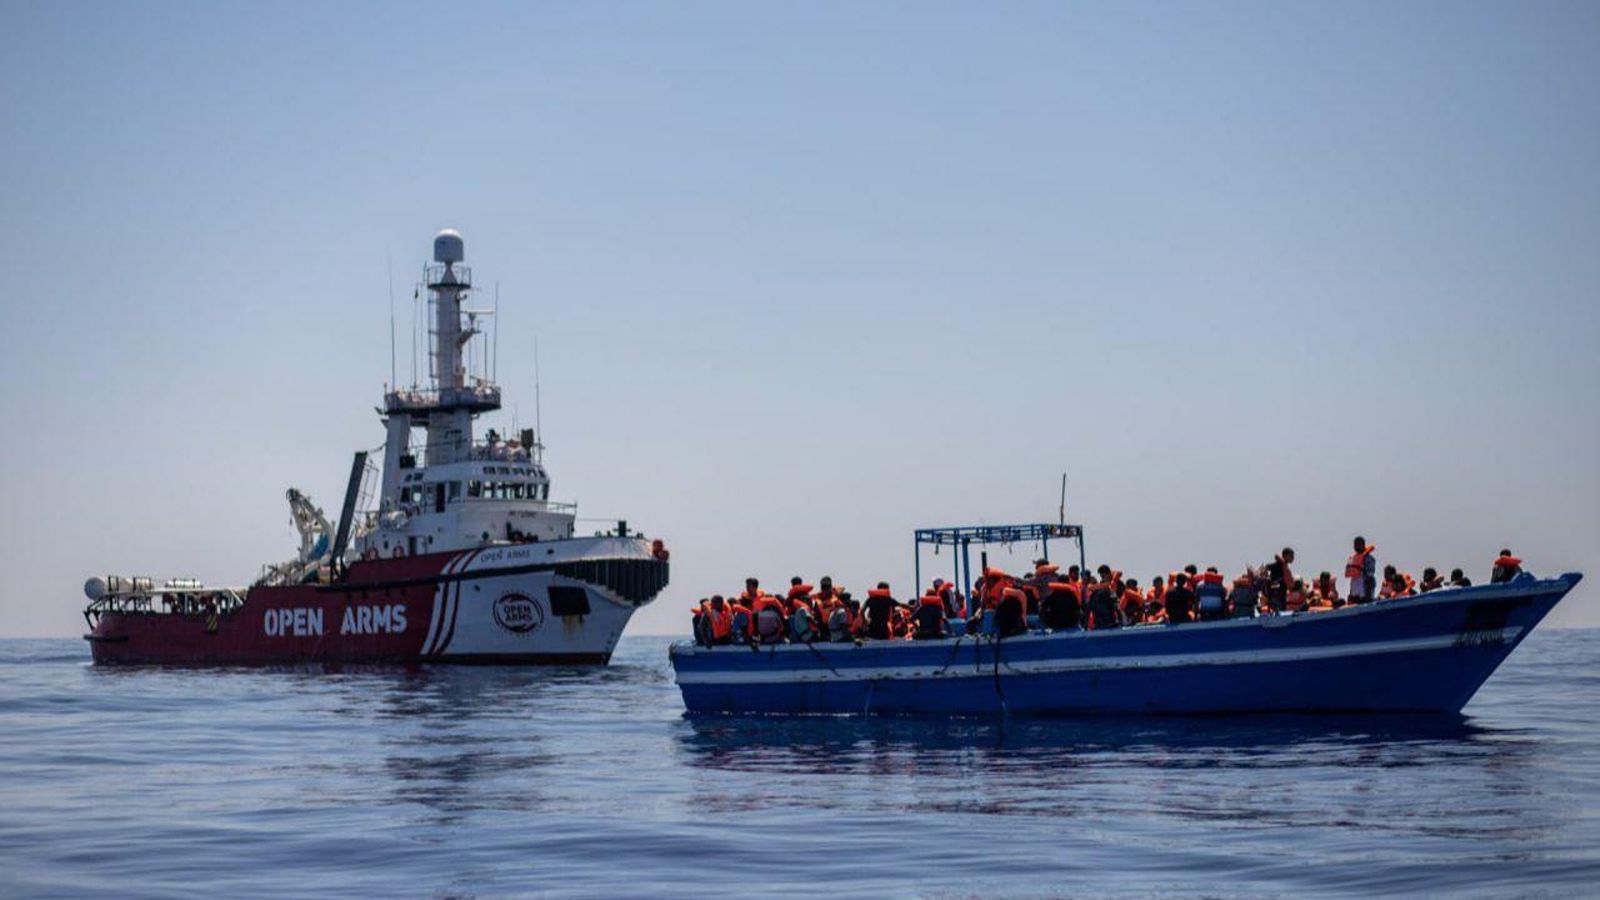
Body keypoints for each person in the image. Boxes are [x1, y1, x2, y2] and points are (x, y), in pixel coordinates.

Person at [1345, 537, 1377, 604]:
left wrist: (1368, 595)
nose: (1357, 546)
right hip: (1355, 590)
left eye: (1359, 544)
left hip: (1364, 589)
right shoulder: (1352, 559)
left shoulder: (1368, 558)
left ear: (1363, 545)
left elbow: (1370, 575)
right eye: (1355, 545)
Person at [1263, 548, 1295, 612]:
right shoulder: (1275, 567)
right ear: (1285, 556)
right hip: (1277, 597)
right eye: (1291, 555)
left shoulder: (1282, 567)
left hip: (1279, 597)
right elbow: (1267, 580)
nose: (1293, 558)